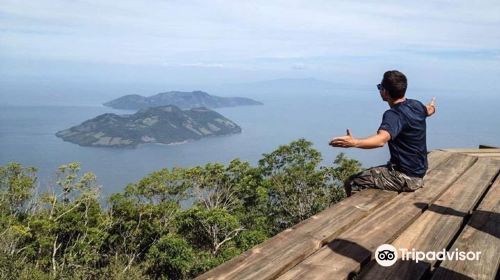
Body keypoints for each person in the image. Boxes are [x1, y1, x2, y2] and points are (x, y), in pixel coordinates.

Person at [329, 70, 436, 196]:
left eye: (380, 87)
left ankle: (364, 214)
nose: (379, 90)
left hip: (405, 177)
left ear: (385, 92)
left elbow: (381, 140)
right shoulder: (416, 105)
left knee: (352, 182)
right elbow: (428, 111)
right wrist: (432, 107)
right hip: (418, 172)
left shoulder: (394, 115)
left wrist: (354, 142)